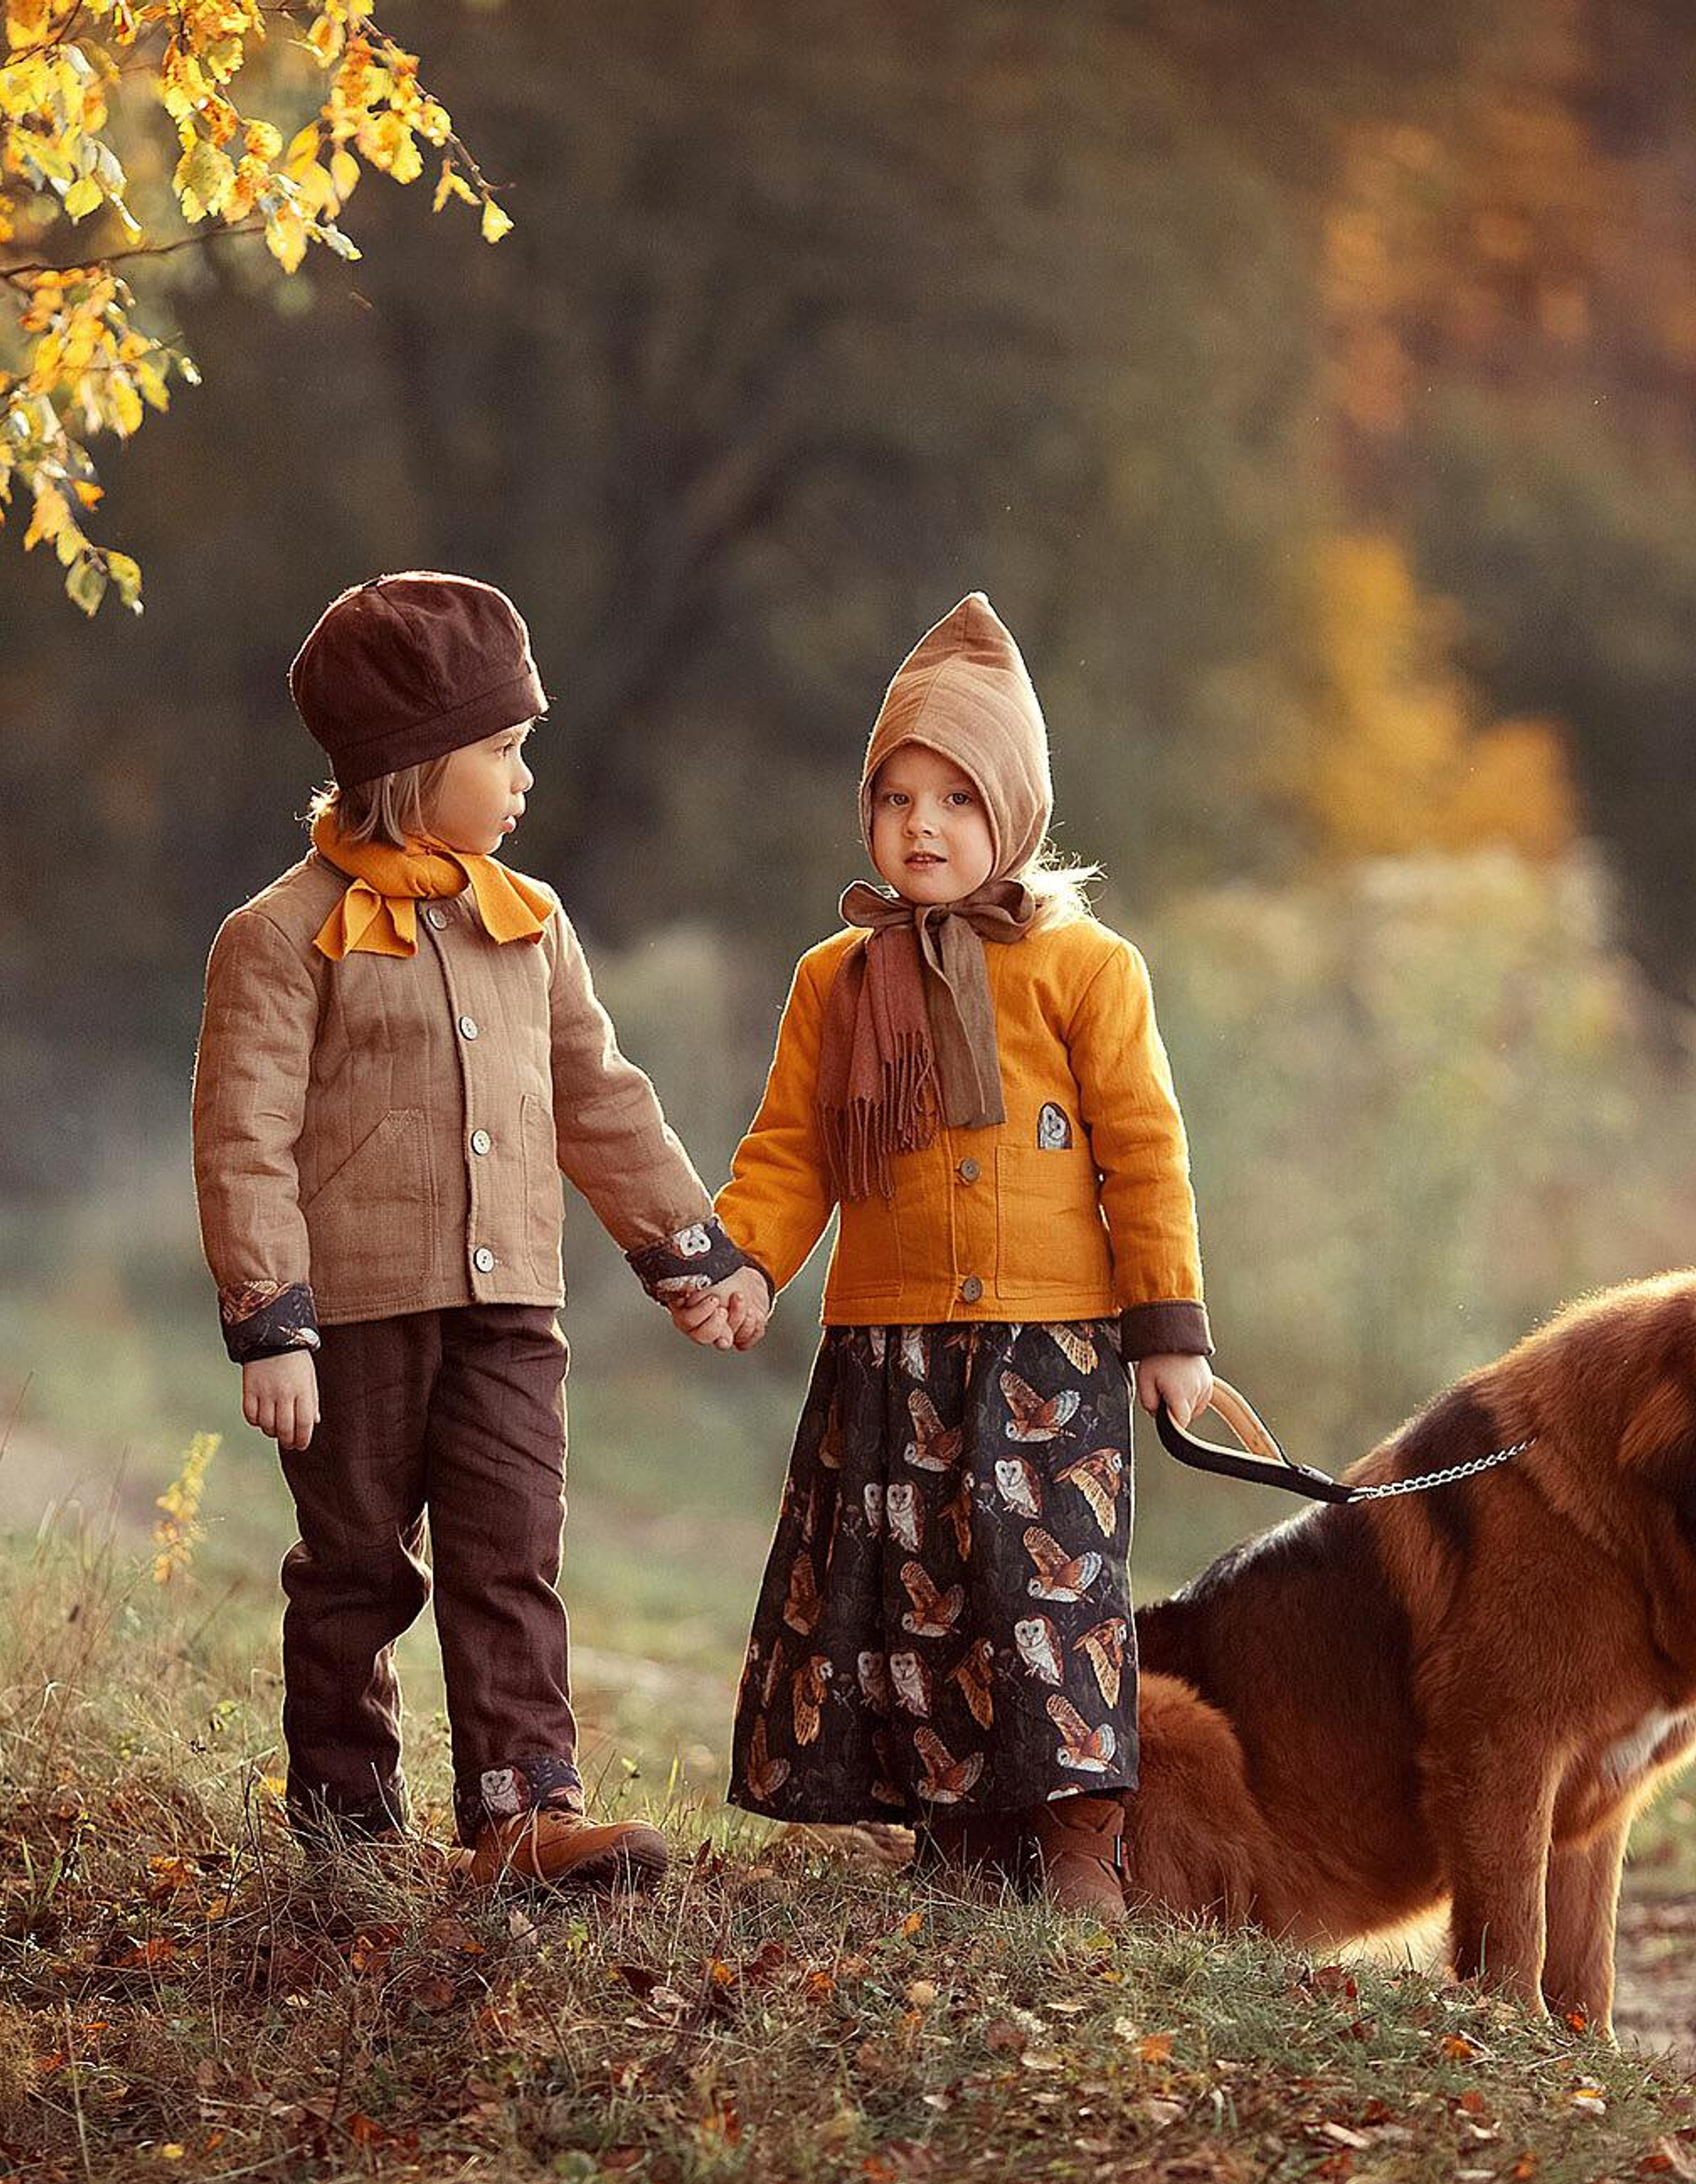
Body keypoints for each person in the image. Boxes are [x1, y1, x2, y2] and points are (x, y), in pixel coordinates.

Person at [192, 571, 750, 1889]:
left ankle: (524, 1811)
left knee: (512, 1556)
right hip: (356, 1322)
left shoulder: (531, 923)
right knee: (354, 1570)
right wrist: (272, 1326)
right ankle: (344, 1822)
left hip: (513, 1311)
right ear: (411, 760)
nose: (521, 780)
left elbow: (600, 1097)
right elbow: (242, 1141)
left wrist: (690, 1251)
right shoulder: (279, 938)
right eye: (502, 751)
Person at [685, 594, 1215, 1921]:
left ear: (1016, 818)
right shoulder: (837, 980)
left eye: (958, 802)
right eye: (897, 797)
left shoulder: (1086, 969)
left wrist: (1168, 1327)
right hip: (890, 1341)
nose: (923, 827)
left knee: (1052, 1592)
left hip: (1051, 1342)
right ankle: (960, 1836)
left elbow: (1143, 1151)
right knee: (919, 1594)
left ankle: (1082, 1837)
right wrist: (747, 1262)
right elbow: (793, 1149)